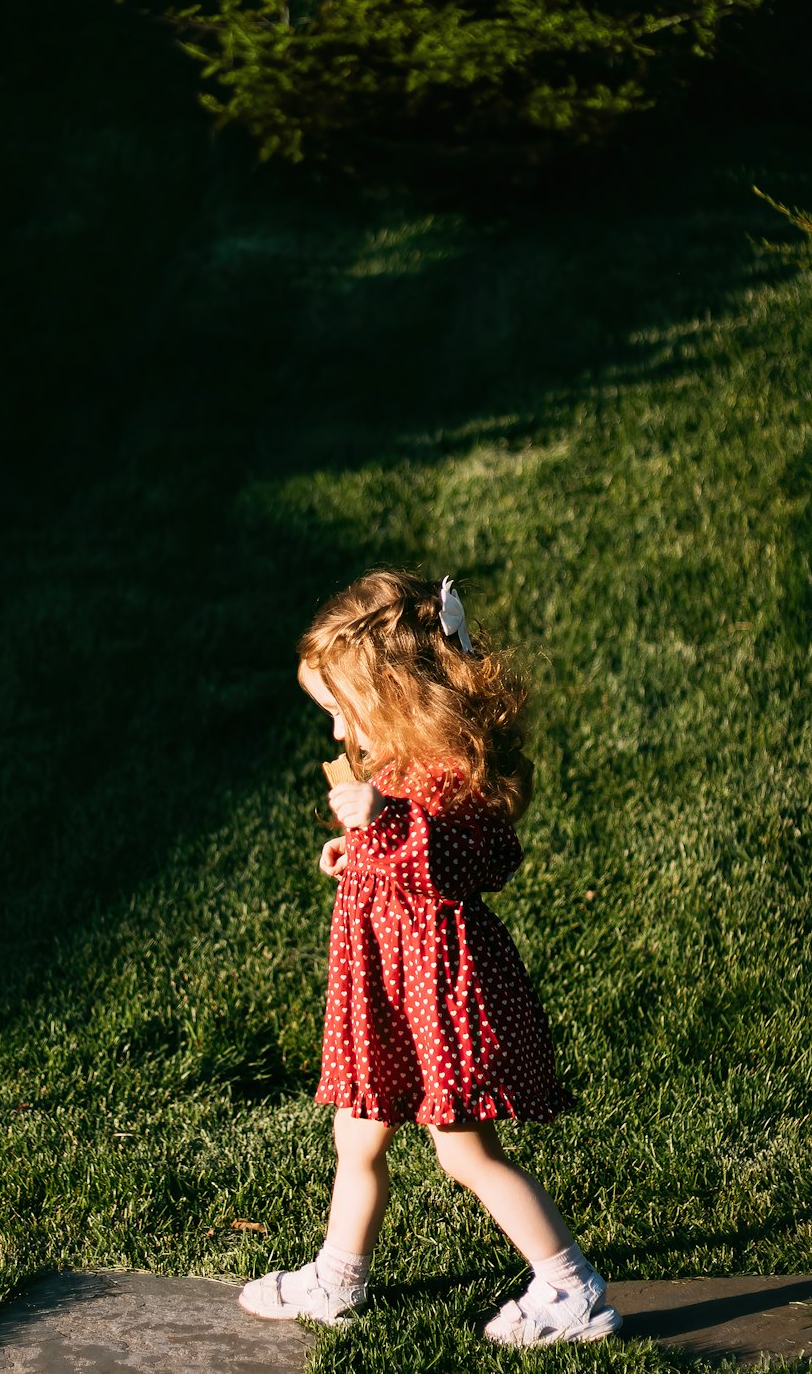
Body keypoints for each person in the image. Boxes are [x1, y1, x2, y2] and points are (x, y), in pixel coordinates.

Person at [238, 568, 621, 1346]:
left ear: (393, 695)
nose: (338, 733)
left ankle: (572, 1286)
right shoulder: (399, 768)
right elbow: (402, 861)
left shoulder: (451, 771)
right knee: (359, 1133)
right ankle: (338, 1278)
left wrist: (383, 823)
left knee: (464, 1150)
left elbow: (474, 859)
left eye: (342, 712)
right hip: (386, 988)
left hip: (438, 989)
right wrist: (357, 851)